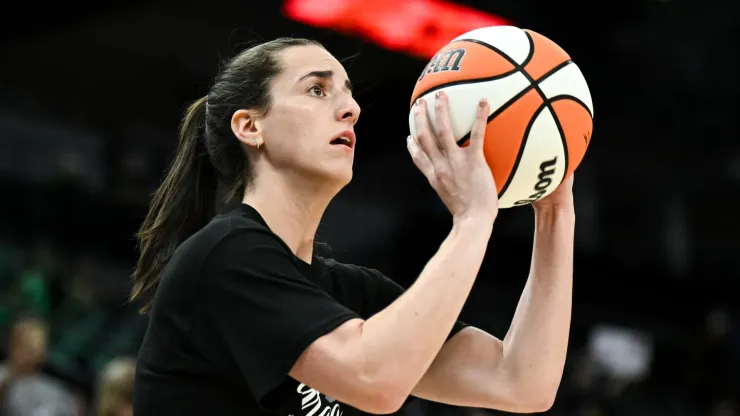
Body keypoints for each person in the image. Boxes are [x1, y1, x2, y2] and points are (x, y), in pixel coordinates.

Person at [130, 37, 575, 416]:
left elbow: (521, 383)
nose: (352, 109)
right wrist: (473, 220)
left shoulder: (351, 292)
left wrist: (555, 213)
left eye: (348, 93)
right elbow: (374, 380)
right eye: (318, 90)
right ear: (251, 127)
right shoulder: (225, 255)